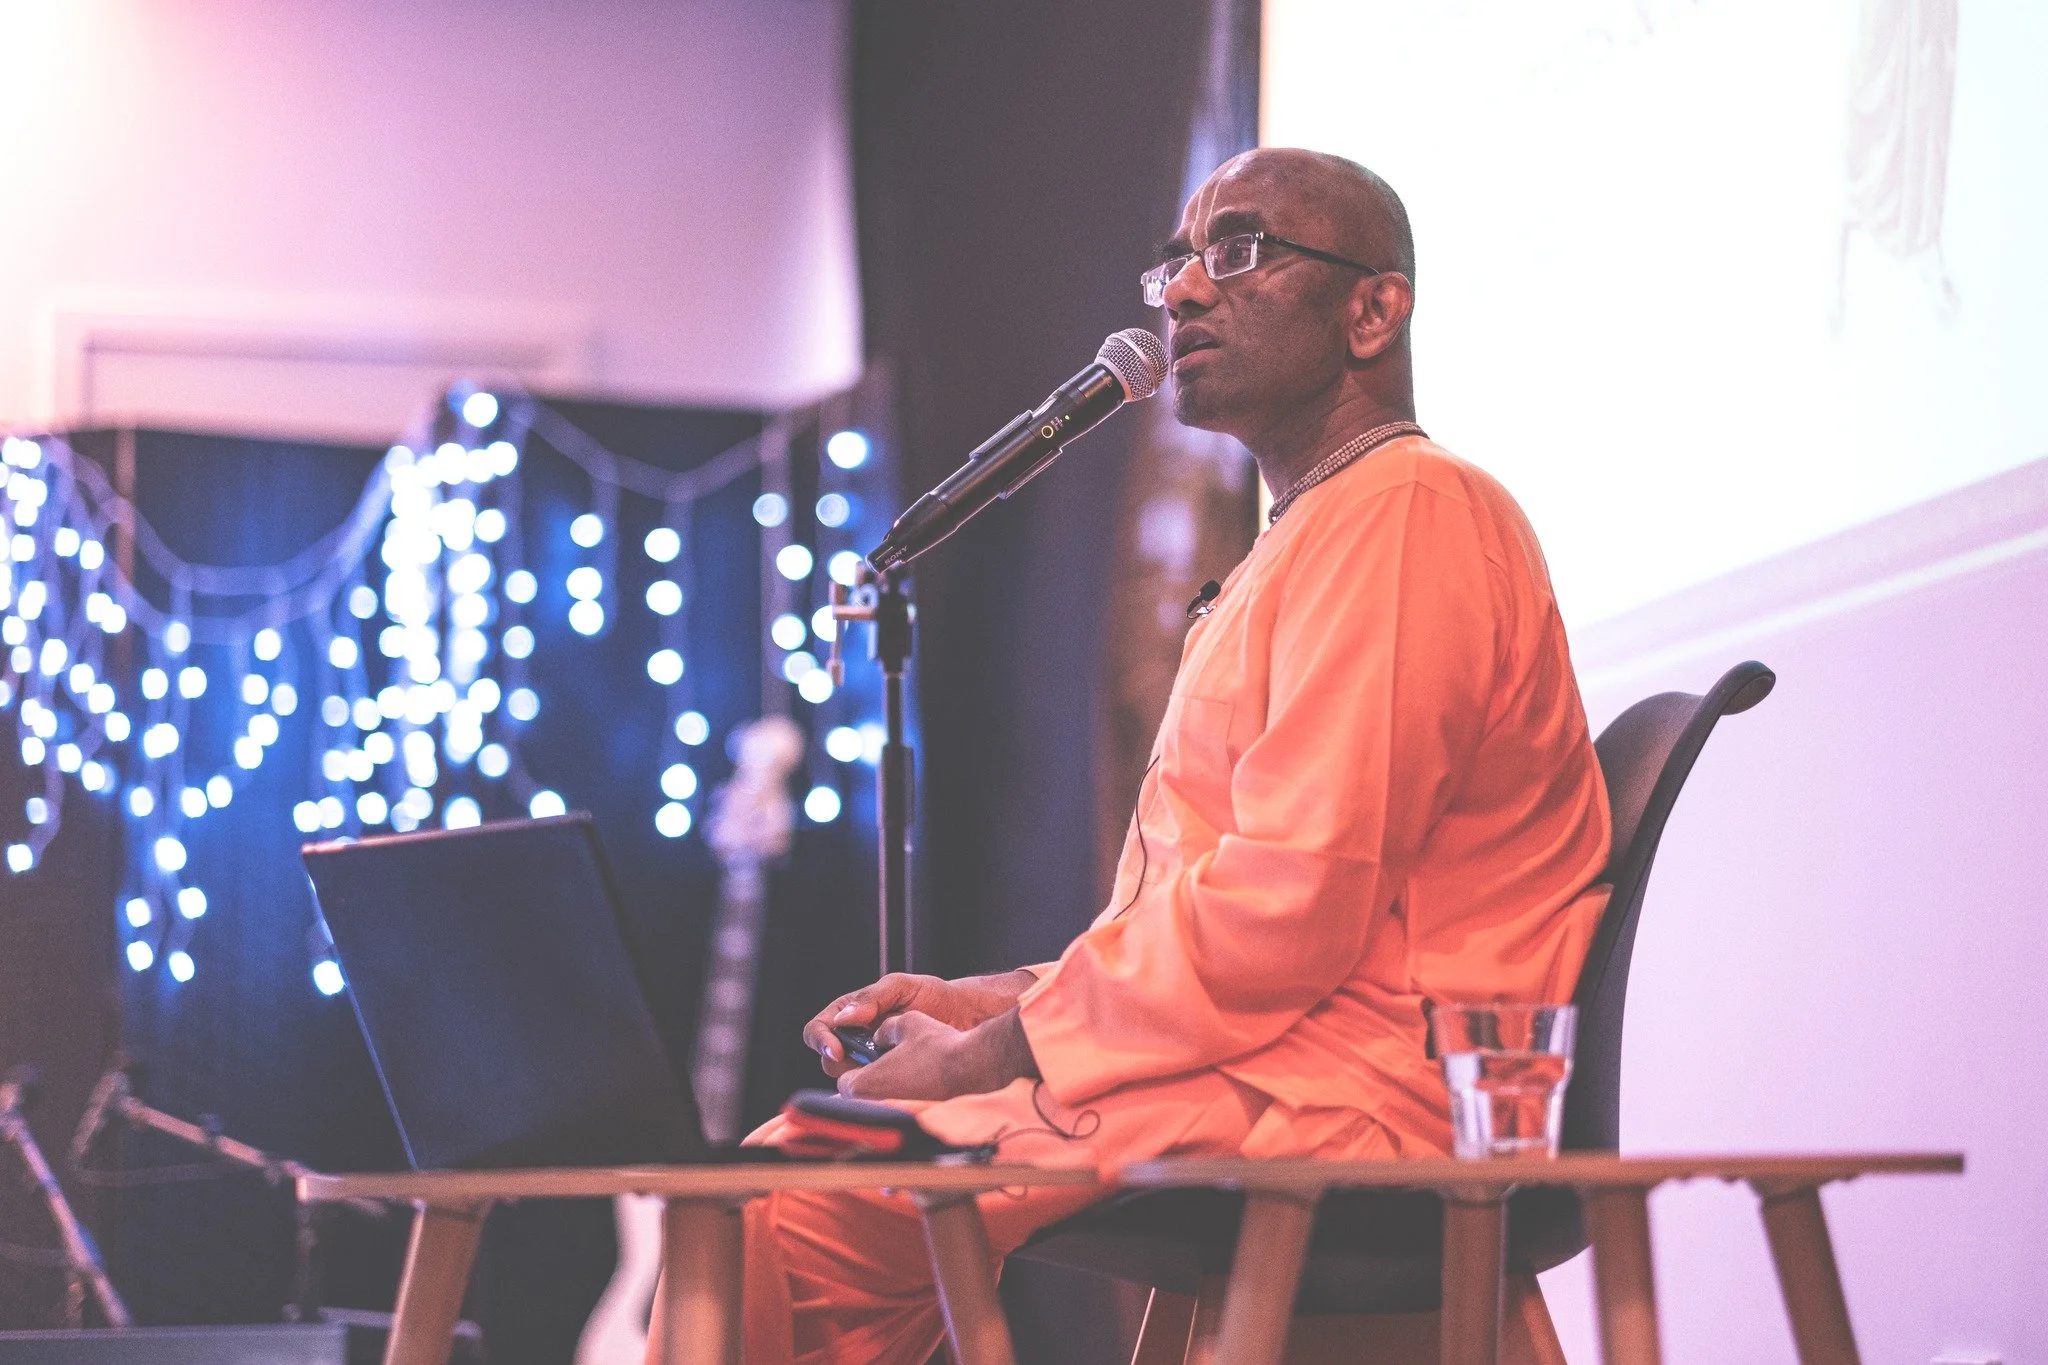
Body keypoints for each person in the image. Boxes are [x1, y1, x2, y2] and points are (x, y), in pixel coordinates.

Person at [681, 147, 1612, 1364]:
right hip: (1266, 1066)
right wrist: (1000, 1000)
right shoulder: (1310, 531)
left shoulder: (1409, 510)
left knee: (785, 1204)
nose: (1180, 291)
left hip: (1351, 1096)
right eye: (1174, 263)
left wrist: (982, 1057)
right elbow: (1216, 915)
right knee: (783, 1176)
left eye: (1238, 251)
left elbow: (1284, 910)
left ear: (1372, 311)